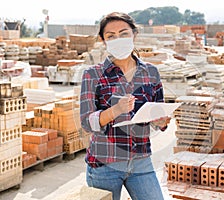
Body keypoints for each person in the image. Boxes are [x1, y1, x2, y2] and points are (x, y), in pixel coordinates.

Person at [80, 12, 170, 200]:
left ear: (134, 34)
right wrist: (116, 110)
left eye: (124, 33)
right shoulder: (92, 75)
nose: (118, 40)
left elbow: (157, 113)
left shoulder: (150, 72)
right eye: (111, 36)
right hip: (105, 164)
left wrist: (161, 121)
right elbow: (87, 123)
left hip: (141, 161)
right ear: (103, 41)